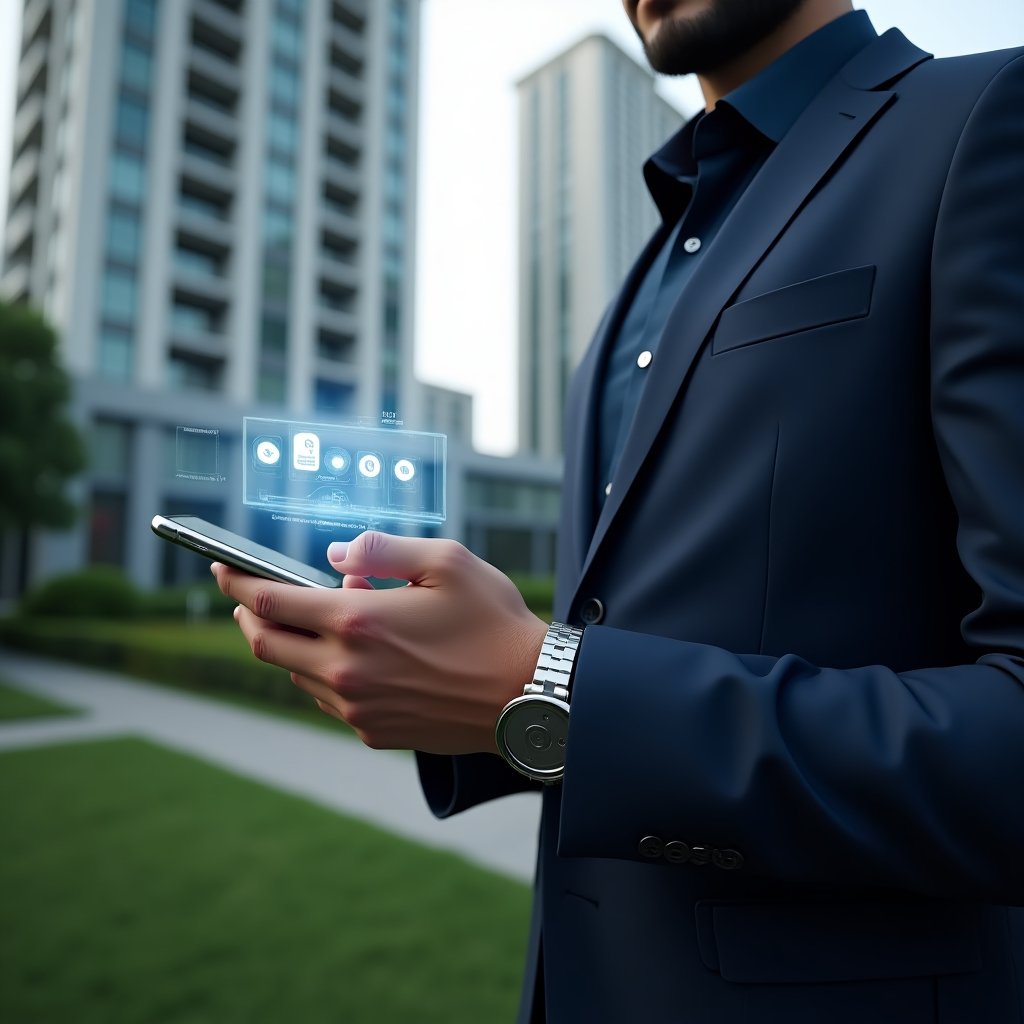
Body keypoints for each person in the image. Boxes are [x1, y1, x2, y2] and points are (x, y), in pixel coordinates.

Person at [212, 0, 1024, 1020]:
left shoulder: (986, 117)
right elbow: (625, 638)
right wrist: (460, 688)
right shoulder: (643, 274)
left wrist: (551, 684)